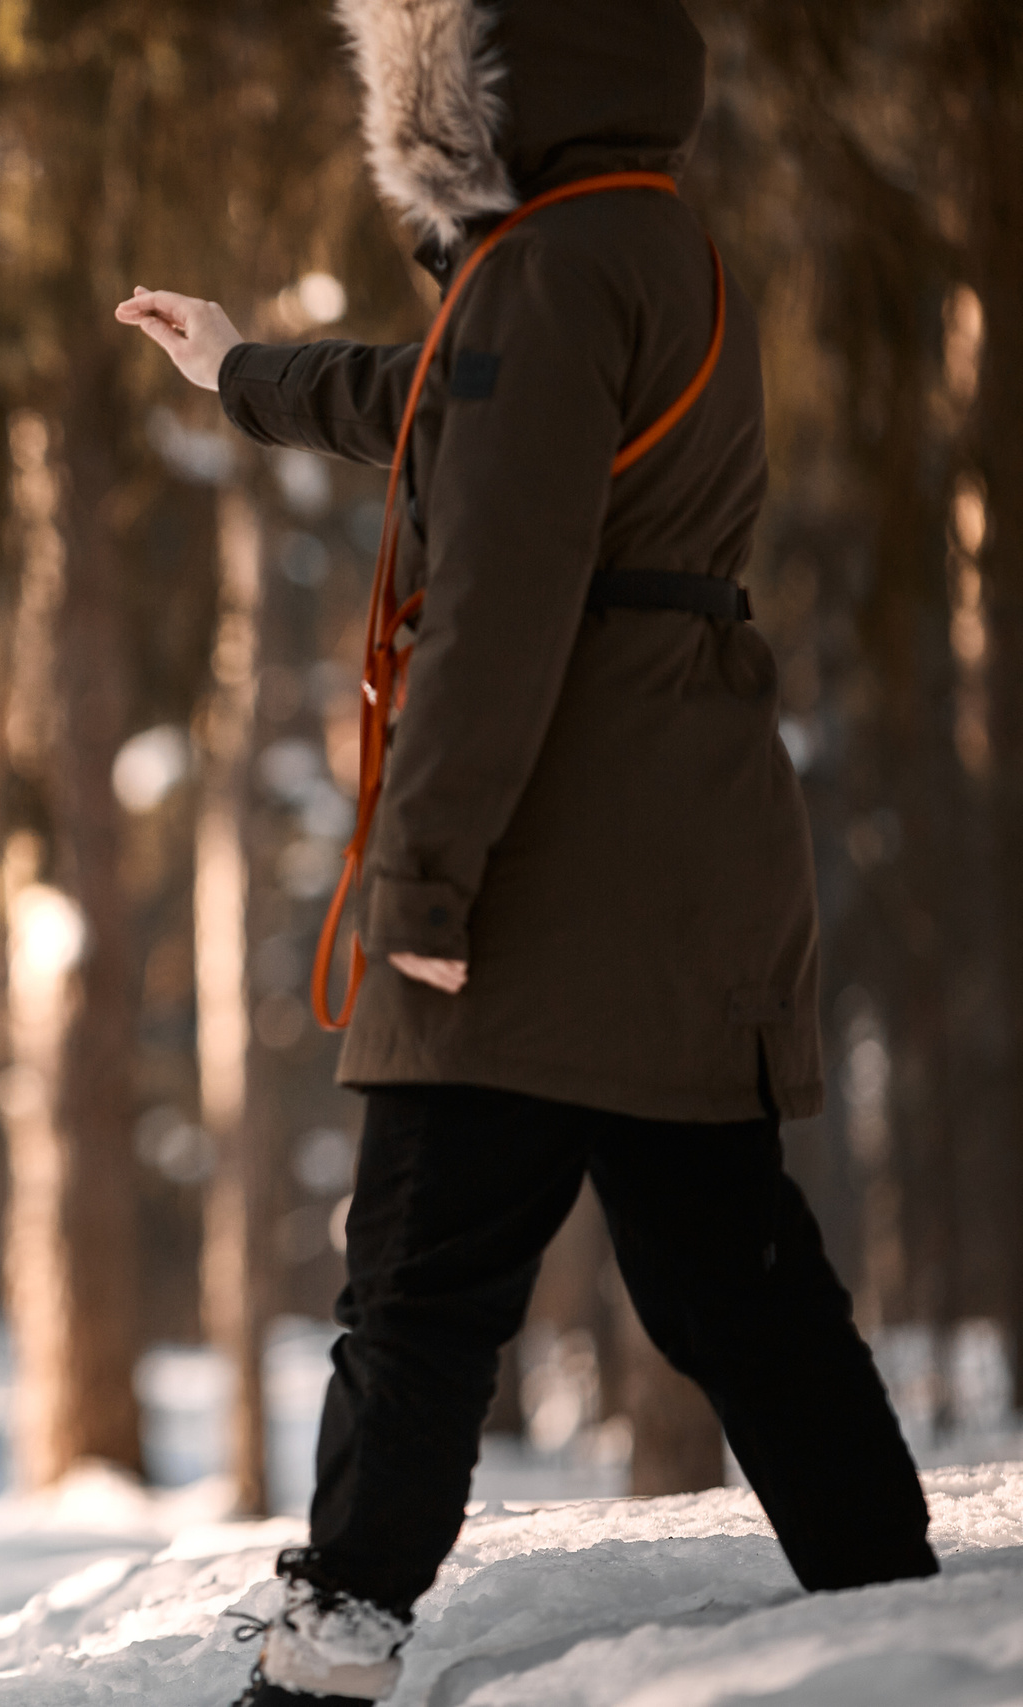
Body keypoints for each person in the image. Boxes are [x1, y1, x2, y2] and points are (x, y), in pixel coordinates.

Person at [116, 2, 939, 1703]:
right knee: (731, 1268)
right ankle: (893, 1597)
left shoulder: (550, 271)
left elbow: (490, 604)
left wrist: (423, 878)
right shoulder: (647, 245)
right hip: (686, 846)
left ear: (463, 94)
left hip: (545, 857)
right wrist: (240, 369)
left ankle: (334, 1642)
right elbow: (436, 409)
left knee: (419, 1277)